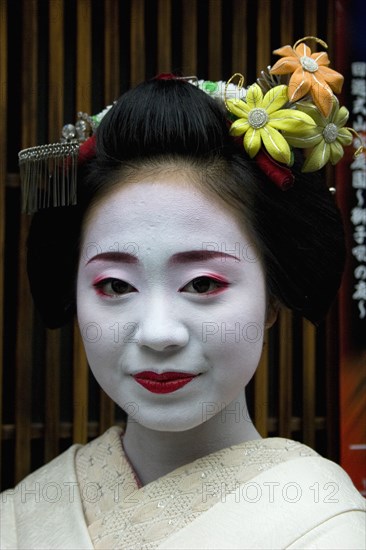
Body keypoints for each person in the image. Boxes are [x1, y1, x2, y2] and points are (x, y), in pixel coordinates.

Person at [1, 38, 365, 549]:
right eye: (114, 285)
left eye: (202, 283)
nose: (158, 333)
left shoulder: (328, 528)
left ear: (272, 298)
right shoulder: (19, 518)